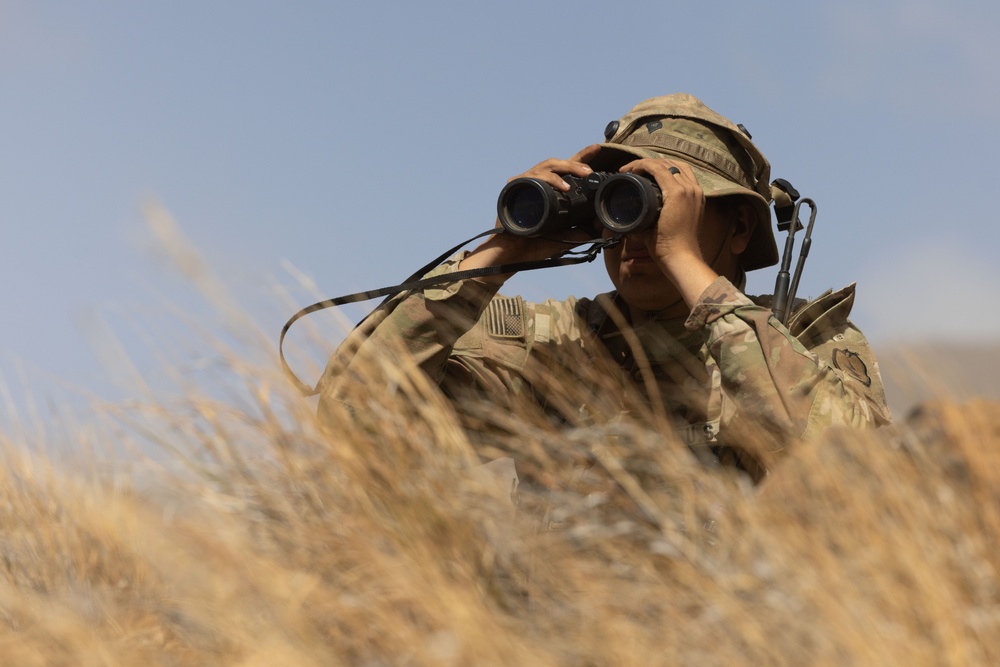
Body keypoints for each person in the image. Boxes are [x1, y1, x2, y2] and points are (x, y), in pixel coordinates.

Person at [317, 93, 891, 482]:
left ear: (739, 227)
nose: (635, 233)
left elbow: (845, 468)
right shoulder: (555, 346)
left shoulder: (806, 343)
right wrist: (500, 254)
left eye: (660, 207)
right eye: (620, 206)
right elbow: (352, 409)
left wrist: (686, 262)